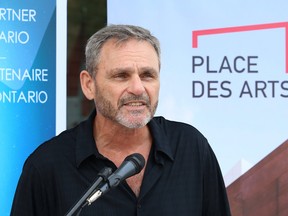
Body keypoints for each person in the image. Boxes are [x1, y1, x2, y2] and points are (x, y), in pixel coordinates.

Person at [11, 24, 231, 216]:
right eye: (121, 76)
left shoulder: (191, 148)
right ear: (89, 85)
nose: (138, 88)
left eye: (147, 75)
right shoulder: (47, 166)